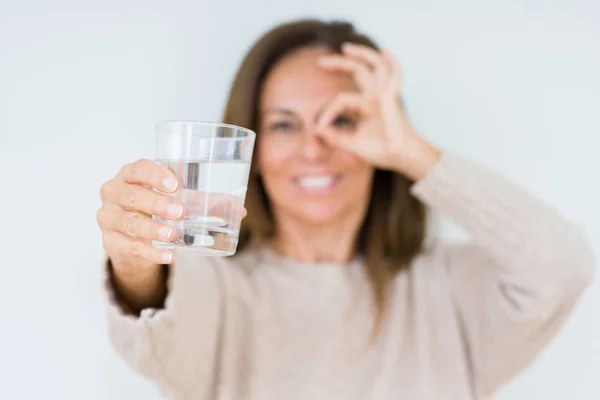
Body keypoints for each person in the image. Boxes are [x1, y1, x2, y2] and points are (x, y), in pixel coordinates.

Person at [96, 19, 596, 399]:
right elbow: (158, 324)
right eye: (285, 125)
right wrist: (137, 259)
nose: (315, 150)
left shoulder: (448, 290)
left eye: (343, 120)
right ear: (252, 154)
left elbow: (563, 264)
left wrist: (413, 153)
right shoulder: (219, 288)